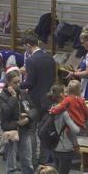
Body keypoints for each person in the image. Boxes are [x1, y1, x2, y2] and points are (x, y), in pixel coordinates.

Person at [0, 70, 35, 174]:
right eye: (15, 83)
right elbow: (6, 112)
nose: (18, 85)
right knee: (11, 164)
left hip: (24, 130)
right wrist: (13, 97)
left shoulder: (24, 93)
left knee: (27, 162)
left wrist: (29, 117)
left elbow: (33, 109)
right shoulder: (2, 96)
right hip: (11, 131)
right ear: (8, 83)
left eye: (20, 81)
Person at [21, 32, 57, 166]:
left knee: (32, 130)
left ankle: (32, 160)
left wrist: (19, 85)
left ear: (28, 45)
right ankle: (43, 159)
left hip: (34, 99)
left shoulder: (31, 60)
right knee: (43, 131)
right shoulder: (50, 58)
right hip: (48, 99)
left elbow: (30, 82)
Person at [46, 84, 81, 174]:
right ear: (61, 95)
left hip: (55, 146)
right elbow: (75, 130)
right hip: (65, 148)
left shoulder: (52, 108)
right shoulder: (65, 112)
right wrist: (79, 123)